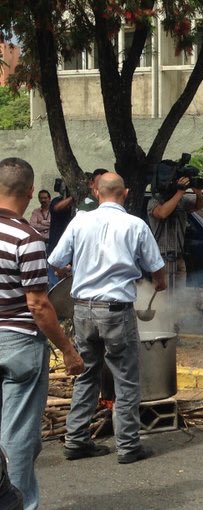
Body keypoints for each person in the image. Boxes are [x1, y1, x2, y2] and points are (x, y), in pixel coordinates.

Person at [49, 172, 167, 465]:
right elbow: (157, 269)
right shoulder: (135, 224)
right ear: (125, 193)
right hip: (116, 311)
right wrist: (160, 284)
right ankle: (128, 447)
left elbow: (55, 262)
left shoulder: (79, 221)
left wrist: (73, 270)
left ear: (97, 193)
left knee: (87, 374)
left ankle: (76, 440)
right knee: (126, 379)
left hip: (83, 309)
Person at [0, 157, 84, 510]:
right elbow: (38, 305)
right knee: (18, 436)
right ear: (32, 192)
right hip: (18, 343)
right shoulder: (27, 238)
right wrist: (66, 348)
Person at [147, 174, 203, 297]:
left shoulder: (181, 201)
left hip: (178, 255)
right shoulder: (154, 201)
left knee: (178, 296)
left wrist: (198, 193)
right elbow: (162, 213)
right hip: (162, 257)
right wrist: (180, 192)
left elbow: (199, 206)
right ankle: (164, 316)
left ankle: (176, 315)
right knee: (163, 296)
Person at [47, 179, 74, 287]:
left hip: (70, 247)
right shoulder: (56, 201)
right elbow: (57, 208)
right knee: (54, 282)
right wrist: (72, 197)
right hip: (56, 245)